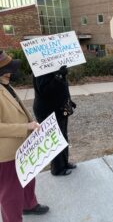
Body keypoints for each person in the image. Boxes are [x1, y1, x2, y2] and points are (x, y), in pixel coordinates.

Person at [0, 51, 49, 222]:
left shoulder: (5, 84)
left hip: (22, 145)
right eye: (8, 68)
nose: (11, 71)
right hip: (6, 154)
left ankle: (29, 204)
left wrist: (31, 124)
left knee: (28, 177)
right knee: (10, 192)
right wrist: (25, 127)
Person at [33, 66, 77, 176]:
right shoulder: (40, 69)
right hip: (47, 110)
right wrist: (59, 76)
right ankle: (57, 169)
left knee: (63, 135)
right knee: (54, 139)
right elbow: (45, 91)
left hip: (61, 107)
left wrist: (69, 101)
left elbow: (62, 86)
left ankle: (64, 163)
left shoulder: (55, 67)